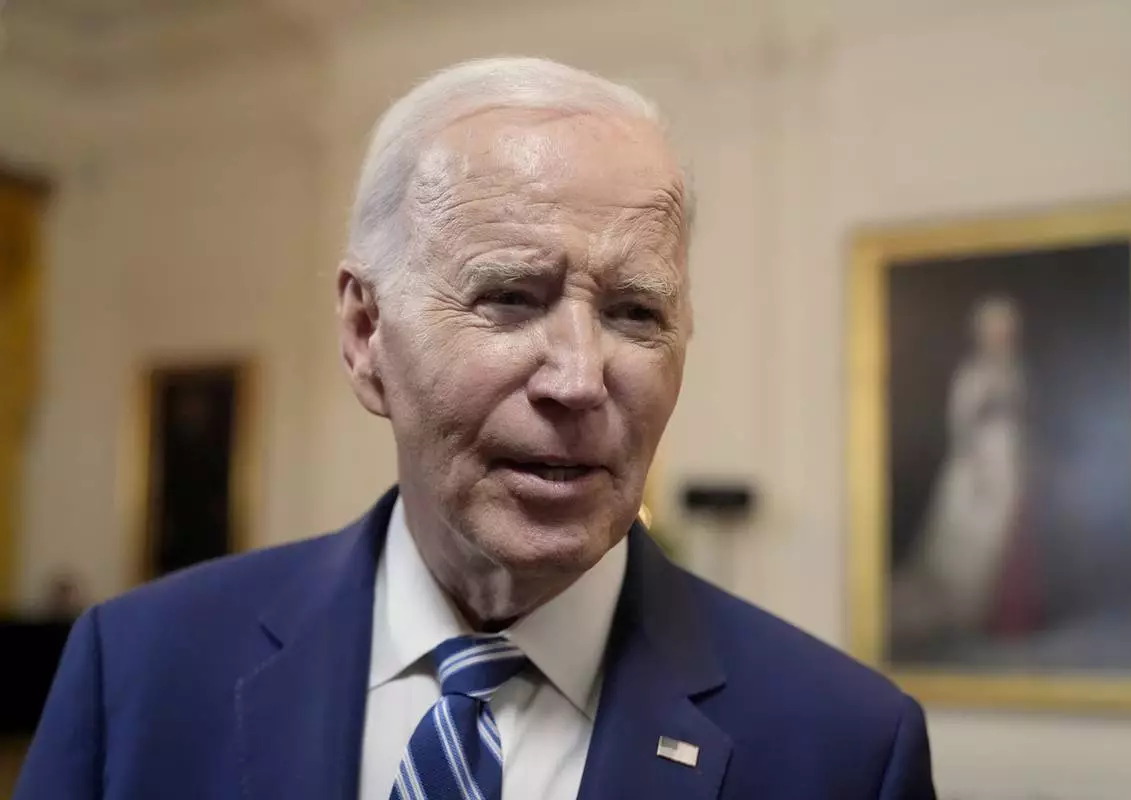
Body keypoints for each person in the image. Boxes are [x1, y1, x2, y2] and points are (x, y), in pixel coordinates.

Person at [15, 57, 936, 799]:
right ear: (366, 331)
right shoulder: (138, 673)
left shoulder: (845, 748)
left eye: (635, 314)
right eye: (508, 298)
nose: (580, 379)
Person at [891, 294, 1037, 652]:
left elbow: (1027, 417)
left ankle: (1003, 616)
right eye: (995, 331)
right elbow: (962, 425)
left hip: (1012, 461)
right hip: (980, 465)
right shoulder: (972, 374)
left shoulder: (1018, 370)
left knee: (1008, 539)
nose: (1001, 338)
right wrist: (977, 470)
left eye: (1006, 332)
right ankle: (965, 615)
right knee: (973, 541)